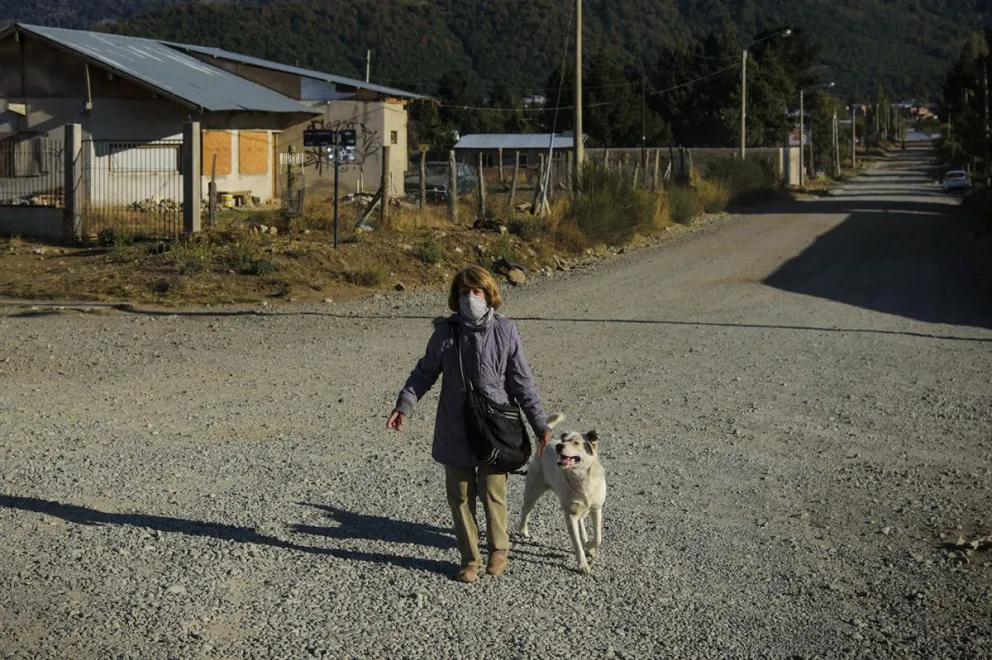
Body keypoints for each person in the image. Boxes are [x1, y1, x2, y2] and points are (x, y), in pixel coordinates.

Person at [387, 265, 551, 583]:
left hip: (494, 431)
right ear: (456, 297)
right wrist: (404, 405)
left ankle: (499, 549)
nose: (471, 297)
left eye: (477, 291)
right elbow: (424, 372)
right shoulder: (445, 333)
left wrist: (539, 424)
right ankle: (469, 558)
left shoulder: (505, 332)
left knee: (493, 491)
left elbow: (522, 383)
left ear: (489, 295)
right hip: (455, 427)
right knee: (460, 495)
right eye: (465, 292)